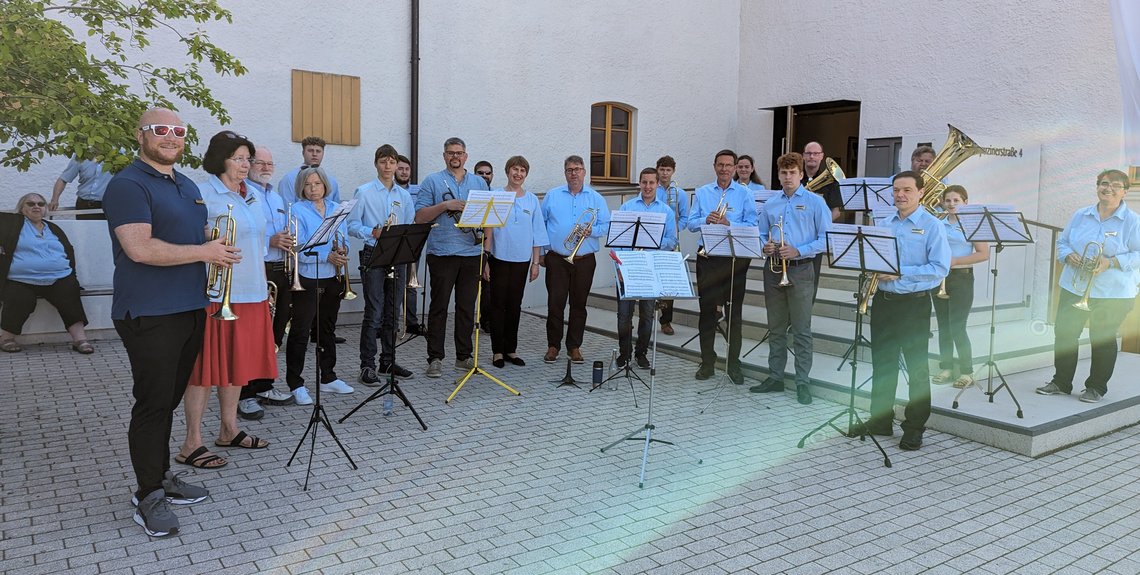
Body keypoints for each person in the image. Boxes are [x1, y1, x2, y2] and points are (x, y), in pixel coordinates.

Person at [104, 107, 238, 537]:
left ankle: (161, 477)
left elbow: (182, 236)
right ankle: (147, 495)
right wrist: (205, 253)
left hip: (188, 307)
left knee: (170, 399)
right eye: (160, 130)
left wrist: (210, 241)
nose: (170, 137)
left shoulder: (185, 184)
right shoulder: (127, 184)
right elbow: (140, 248)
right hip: (149, 312)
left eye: (178, 131)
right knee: (153, 404)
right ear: (141, 135)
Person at [176, 131, 276, 470]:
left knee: (236, 367)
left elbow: (258, 243)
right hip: (216, 294)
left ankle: (228, 428)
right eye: (238, 158)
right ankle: (191, 442)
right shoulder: (203, 193)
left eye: (248, 158)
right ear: (221, 160)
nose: (246, 164)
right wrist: (206, 237)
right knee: (204, 370)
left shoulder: (254, 196)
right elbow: (185, 237)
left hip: (251, 292)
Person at [855, 171, 949, 451]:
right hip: (884, 303)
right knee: (883, 364)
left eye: (907, 190)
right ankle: (881, 421)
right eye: (896, 190)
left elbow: (939, 268)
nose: (900, 195)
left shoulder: (933, 226)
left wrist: (899, 273)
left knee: (917, 367)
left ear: (920, 192)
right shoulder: (884, 224)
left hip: (914, 304)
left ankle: (914, 427)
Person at [1037, 170, 1140, 403]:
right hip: (1075, 286)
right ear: (1097, 187)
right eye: (1104, 183)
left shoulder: (1133, 221)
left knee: (1101, 338)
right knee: (1064, 334)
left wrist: (1112, 261)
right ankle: (1061, 382)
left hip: (1112, 292)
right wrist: (1068, 256)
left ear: (1125, 191)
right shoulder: (1081, 215)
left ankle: (1096, 387)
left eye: (1115, 185)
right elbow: (1062, 243)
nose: (1108, 188)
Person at [750, 153, 829, 404]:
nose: (787, 177)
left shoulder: (816, 202)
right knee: (775, 328)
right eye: (783, 173)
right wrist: (765, 246)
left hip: (801, 268)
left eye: (792, 172)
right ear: (778, 175)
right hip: (773, 269)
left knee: (802, 329)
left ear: (801, 174)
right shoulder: (771, 203)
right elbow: (761, 233)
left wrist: (799, 250)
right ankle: (775, 377)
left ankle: (802, 382)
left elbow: (826, 239)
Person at [414, 137, 489, 377]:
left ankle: (463, 357)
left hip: (472, 252)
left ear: (466, 156)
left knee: (467, 308)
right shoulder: (432, 181)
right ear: (444, 156)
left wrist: (486, 250)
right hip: (442, 252)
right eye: (450, 153)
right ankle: (435, 358)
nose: (455, 156)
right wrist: (445, 206)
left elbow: (489, 217)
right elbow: (420, 216)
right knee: (439, 308)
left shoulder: (479, 182)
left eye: (459, 153)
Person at [687, 149, 758, 384]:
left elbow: (752, 224)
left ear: (736, 168)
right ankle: (707, 362)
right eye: (721, 165)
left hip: (735, 258)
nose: (725, 169)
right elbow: (690, 223)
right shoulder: (703, 192)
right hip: (708, 258)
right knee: (707, 312)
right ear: (714, 166)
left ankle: (733, 364)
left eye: (729, 165)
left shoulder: (745, 194)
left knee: (733, 314)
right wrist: (704, 220)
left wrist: (729, 222)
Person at [347, 144, 416, 385]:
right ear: (376, 164)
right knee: (374, 312)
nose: (388, 166)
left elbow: (408, 226)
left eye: (392, 162)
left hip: (397, 257)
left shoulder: (404, 196)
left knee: (392, 312)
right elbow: (352, 226)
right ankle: (367, 365)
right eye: (383, 161)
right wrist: (372, 232)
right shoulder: (364, 192)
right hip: (373, 255)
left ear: (397, 165)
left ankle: (388, 360)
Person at [285, 167, 355, 398]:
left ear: (325, 184)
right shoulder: (296, 210)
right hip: (307, 277)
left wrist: (343, 248)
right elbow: (298, 248)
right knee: (301, 332)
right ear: (301, 188)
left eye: (317, 183)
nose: (313, 188)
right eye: (308, 184)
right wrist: (327, 255)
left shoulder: (337, 209)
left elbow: (343, 236)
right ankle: (296, 384)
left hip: (332, 277)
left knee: (327, 330)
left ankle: (328, 377)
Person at [239, 145, 296, 420]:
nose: (265, 168)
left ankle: (265, 385)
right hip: (256, 268)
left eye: (269, 164)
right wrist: (270, 241)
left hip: (280, 268)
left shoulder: (275, 197)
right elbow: (240, 234)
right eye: (259, 163)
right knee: (252, 334)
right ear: (249, 165)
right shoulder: (244, 194)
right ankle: (244, 394)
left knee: (275, 332)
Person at [0, 193, 92, 353]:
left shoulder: (53, 228)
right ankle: (6, 338)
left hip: (59, 277)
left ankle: (80, 339)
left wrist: (71, 274)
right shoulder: (12, 223)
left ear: (45, 208)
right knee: (20, 299)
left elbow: (68, 251)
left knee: (70, 295)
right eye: (30, 203)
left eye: (41, 204)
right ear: (22, 208)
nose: (36, 206)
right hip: (21, 279)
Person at [541, 155, 611, 365]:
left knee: (579, 304)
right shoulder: (552, 195)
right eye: (570, 169)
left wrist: (592, 231)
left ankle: (574, 346)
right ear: (565, 172)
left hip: (584, 259)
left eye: (578, 169)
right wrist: (543, 253)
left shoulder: (596, 198)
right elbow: (541, 225)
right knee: (555, 303)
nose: (574, 173)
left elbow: (606, 225)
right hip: (557, 258)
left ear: (584, 172)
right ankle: (553, 345)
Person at [484, 156, 549, 368]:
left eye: (522, 170)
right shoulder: (496, 195)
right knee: (497, 305)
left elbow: (537, 232)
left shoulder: (531, 200)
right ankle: (497, 352)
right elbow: (489, 229)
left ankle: (511, 349)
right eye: (515, 169)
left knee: (514, 305)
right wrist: (485, 259)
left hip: (522, 260)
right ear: (507, 171)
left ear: (526, 174)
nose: (518, 174)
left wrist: (536, 263)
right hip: (499, 258)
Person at [614, 168, 677, 368]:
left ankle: (641, 353)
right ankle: (624, 353)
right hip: (629, 266)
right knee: (624, 316)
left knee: (647, 315)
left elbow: (672, 240)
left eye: (651, 183)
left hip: (651, 268)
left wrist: (654, 241)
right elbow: (617, 240)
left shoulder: (666, 211)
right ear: (639, 184)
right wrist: (619, 267)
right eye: (644, 182)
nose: (648, 187)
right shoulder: (627, 207)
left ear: (658, 184)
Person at [931, 185, 989, 389]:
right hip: (939, 278)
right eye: (948, 200)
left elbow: (983, 253)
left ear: (965, 202)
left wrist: (955, 261)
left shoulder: (972, 224)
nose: (952, 204)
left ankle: (967, 371)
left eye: (956, 200)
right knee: (943, 326)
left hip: (961, 277)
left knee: (957, 327)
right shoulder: (938, 223)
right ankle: (946, 367)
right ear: (943, 203)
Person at [395, 154, 427, 337]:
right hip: (394, 241)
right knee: (393, 285)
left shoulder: (418, 190)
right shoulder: (389, 191)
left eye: (407, 169)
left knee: (411, 283)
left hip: (414, 242)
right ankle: (390, 323)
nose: (404, 172)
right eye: (401, 168)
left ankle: (412, 322)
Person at [656, 155, 688, 335]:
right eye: (662, 169)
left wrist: (676, 229)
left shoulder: (680, 193)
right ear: (657, 170)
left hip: (670, 242)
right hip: (653, 241)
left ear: (673, 171)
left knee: (669, 283)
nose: (665, 173)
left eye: (668, 170)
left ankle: (666, 320)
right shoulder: (652, 188)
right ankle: (649, 315)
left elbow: (684, 217)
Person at [277, 136, 341, 205]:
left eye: (318, 151)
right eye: (310, 151)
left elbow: (336, 210)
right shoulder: (289, 179)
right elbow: (287, 209)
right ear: (303, 153)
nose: (314, 154)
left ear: (323, 154)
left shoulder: (331, 181)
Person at [48, 158, 112, 219]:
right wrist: (54, 200)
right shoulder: (81, 155)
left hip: (110, 206)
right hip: (85, 205)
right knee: (84, 230)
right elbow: (64, 179)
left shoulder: (117, 155)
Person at [802, 142, 842, 222]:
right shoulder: (794, 179)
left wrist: (820, 225)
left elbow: (836, 212)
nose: (812, 156)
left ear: (822, 156)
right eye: (808, 153)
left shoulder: (832, 183)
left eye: (816, 153)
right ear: (803, 156)